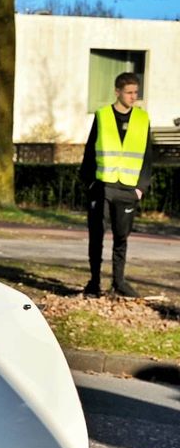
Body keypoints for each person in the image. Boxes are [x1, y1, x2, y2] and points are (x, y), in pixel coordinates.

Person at [79, 71, 154, 297]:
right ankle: (94, 282)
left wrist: (141, 187)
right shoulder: (102, 116)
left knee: (121, 237)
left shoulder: (142, 119)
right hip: (103, 186)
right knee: (96, 236)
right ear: (117, 92)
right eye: (129, 92)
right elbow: (90, 151)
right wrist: (89, 183)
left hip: (128, 189)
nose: (133, 97)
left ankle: (119, 282)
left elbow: (148, 156)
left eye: (136, 92)